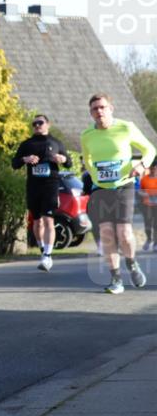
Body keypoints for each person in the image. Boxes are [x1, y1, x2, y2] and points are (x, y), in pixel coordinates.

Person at [80, 93, 156, 293]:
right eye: (95, 109)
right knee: (106, 233)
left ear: (110, 109)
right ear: (91, 113)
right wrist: (94, 175)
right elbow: (86, 158)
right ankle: (116, 279)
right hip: (101, 188)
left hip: (124, 184)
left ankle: (131, 263)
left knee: (124, 232)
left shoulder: (126, 127)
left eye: (102, 107)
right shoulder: (87, 135)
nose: (99, 112)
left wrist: (141, 166)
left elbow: (150, 149)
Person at [12, 114, 69, 272]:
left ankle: (48, 255)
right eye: (34, 123)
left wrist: (62, 159)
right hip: (33, 186)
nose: (37, 125)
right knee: (37, 222)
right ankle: (43, 250)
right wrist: (25, 159)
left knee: (48, 220)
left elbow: (69, 162)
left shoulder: (56, 143)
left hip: (51, 185)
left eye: (40, 123)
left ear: (47, 125)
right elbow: (14, 163)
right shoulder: (27, 144)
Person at [141, 164, 157, 252]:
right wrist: (143, 194)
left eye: (155, 168)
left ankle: (156, 243)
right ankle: (148, 240)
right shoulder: (144, 179)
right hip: (147, 205)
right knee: (147, 224)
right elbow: (139, 190)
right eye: (151, 168)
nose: (153, 170)